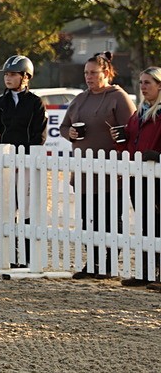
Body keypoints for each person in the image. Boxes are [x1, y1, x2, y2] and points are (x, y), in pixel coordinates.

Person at [58, 52, 135, 278]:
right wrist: (69, 133)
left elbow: (130, 130)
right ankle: (91, 263)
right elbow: (64, 127)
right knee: (86, 219)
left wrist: (118, 136)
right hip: (84, 171)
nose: (89, 77)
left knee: (110, 220)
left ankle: (108, 264)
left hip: (112, 173)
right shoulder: (80, 98)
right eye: (86, 73)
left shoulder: (118, 97)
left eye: (93, 73)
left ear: (106, 73)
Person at [0, 55, 47, 267]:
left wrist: (28, 157)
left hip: (28, 162)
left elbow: (39, 134)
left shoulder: (35, 102)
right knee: (9, 209)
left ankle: (28, 257)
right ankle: (11, 256)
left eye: (13, 74)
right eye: (7, 75)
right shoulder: (0, 103)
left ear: (25, 77)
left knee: (27, 210)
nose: (8, 78)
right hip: (7, 164)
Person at [114, 66, 161, 286]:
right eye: (141, 82)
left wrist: (159, 156)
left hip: (157, 176)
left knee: (158, 223)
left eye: (148, 82)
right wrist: (121, 137)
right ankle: (146, 271)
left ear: (159, 85)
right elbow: (131, 142)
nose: (143, 87)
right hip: (138, 175)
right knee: (144, 223)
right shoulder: (139, 113)